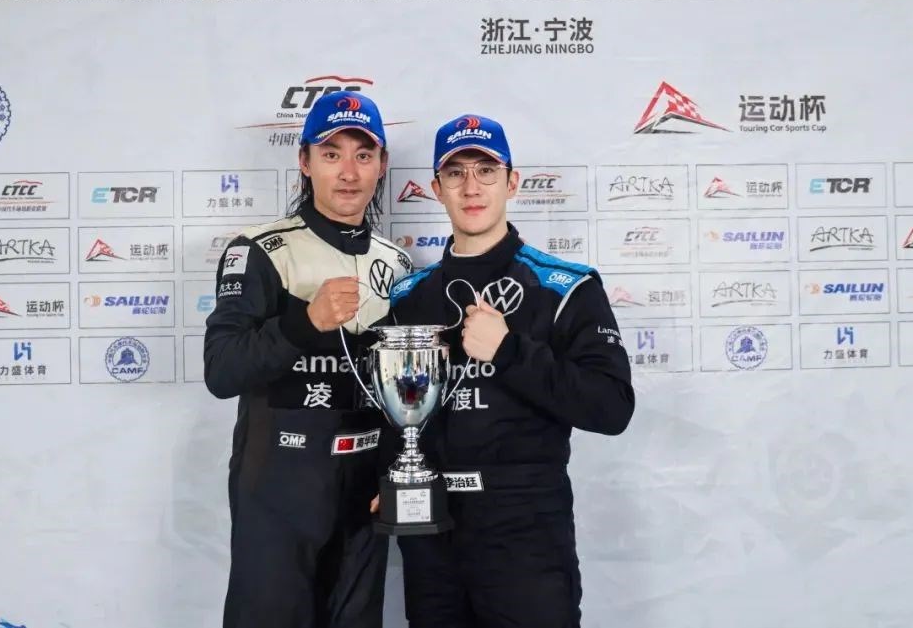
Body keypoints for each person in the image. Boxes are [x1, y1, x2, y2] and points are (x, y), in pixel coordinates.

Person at [388, 114, 635, 628]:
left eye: (486, 170)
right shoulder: (409, 298)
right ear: (436, 188)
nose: (471, 187)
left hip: (525, 530)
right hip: (430, 529)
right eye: (455, 173)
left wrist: (508, 350)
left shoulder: (565, 287)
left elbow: (612, 408)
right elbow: (393, 410)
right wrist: (385, 476)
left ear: (512, 182)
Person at [204, 90, 412, 628]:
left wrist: (394, 467)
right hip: (280, 485)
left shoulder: (398, 263)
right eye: (331, 153)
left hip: (363, 488)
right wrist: (304, 322)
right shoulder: (259, 250)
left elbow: (401, 389)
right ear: (304, 161)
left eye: (363, 155)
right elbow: (221, 370)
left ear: (382, 164)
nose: (349, 172)